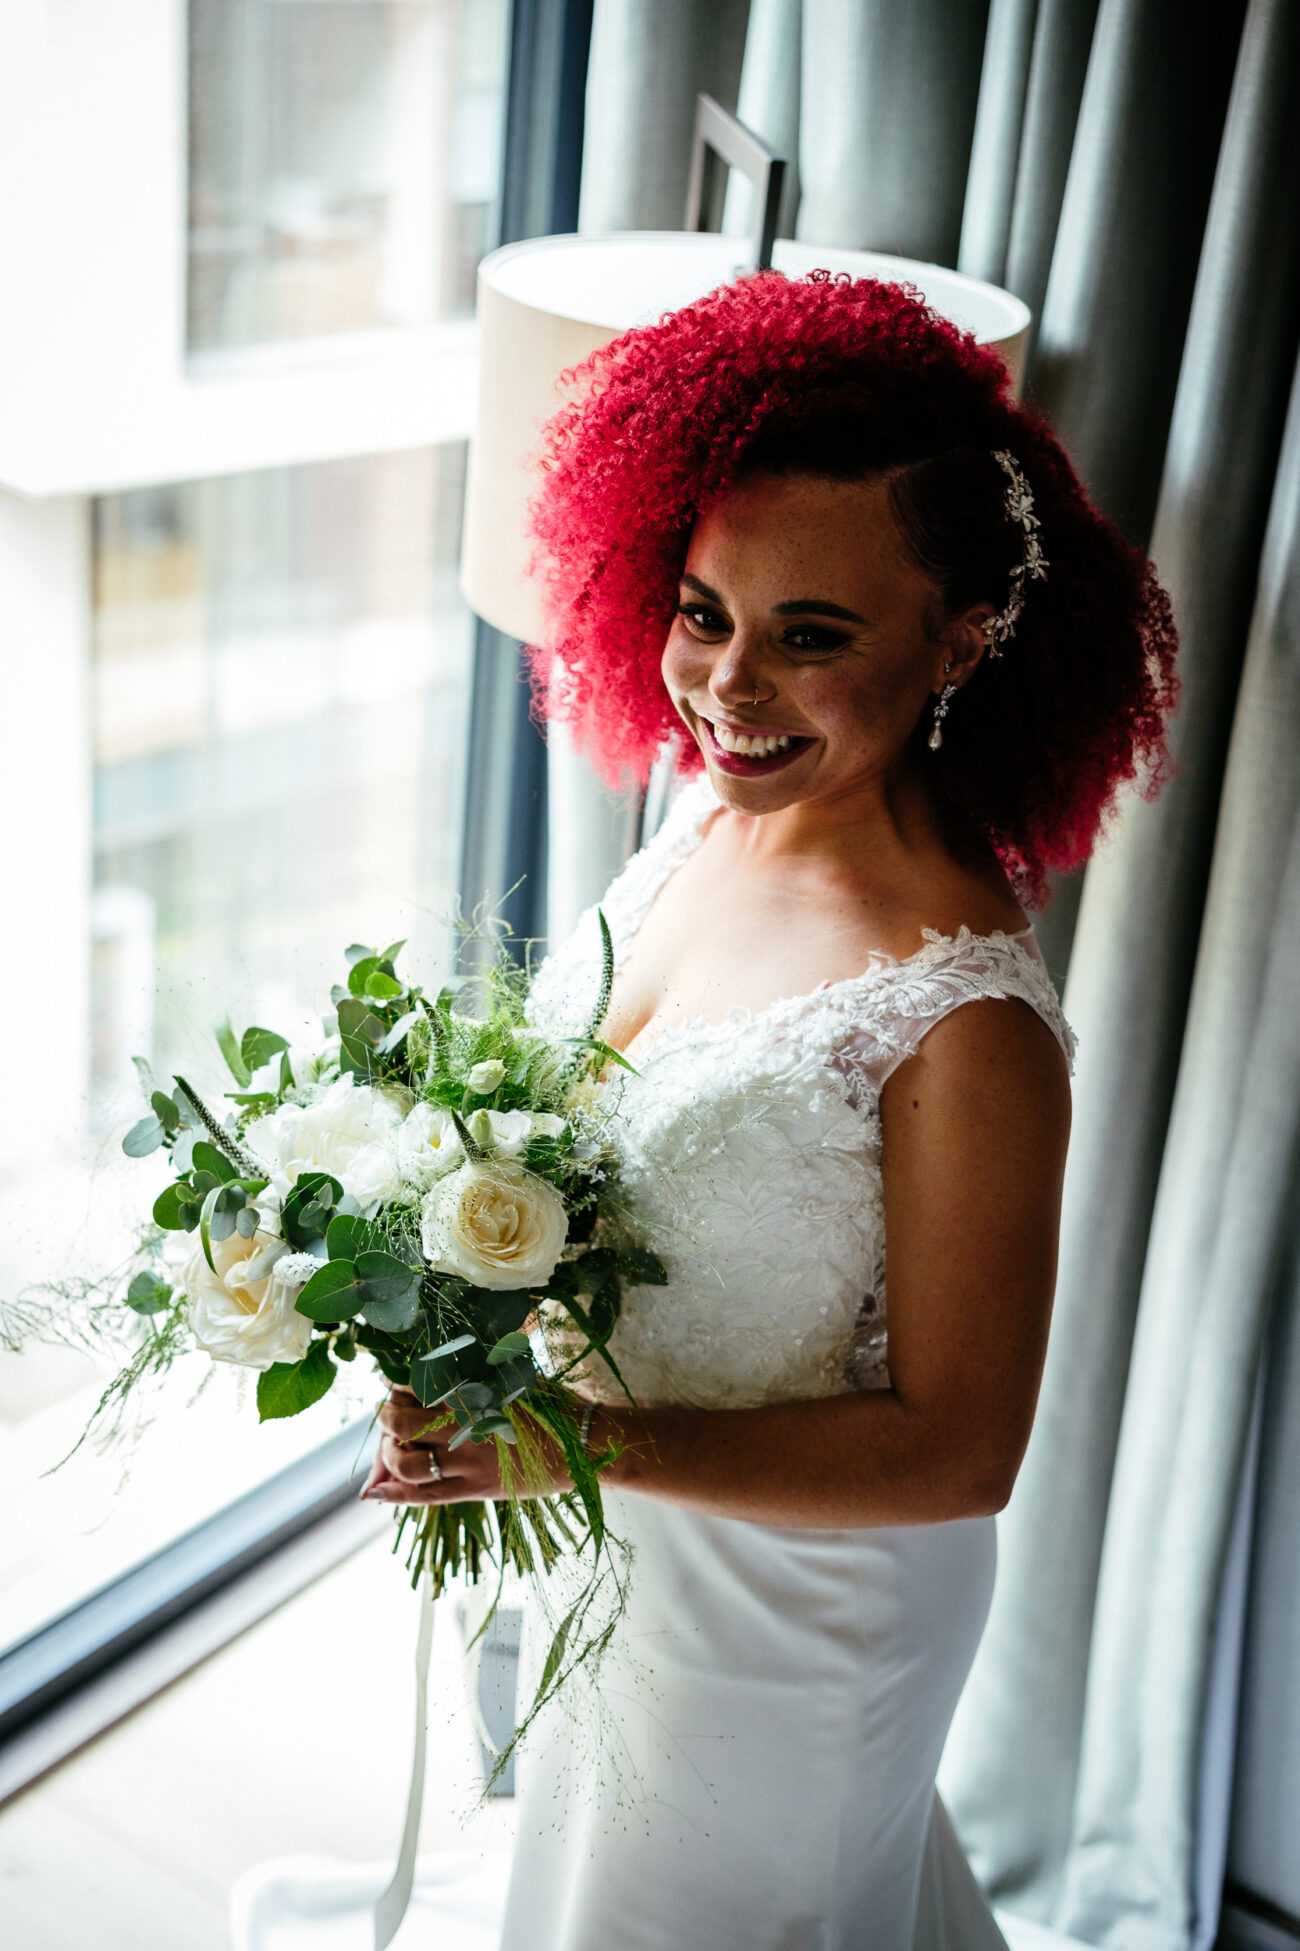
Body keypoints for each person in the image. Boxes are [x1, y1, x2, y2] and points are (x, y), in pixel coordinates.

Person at [363, 272, 1178, 1949]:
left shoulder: (965, 1021)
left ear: (962, 639)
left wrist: (576, 1446)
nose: (730, 686)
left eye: (814, 635)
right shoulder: (710, 819)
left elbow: (964, 1453)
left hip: (804, 1621)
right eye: (702, 610)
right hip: (628, 1552)